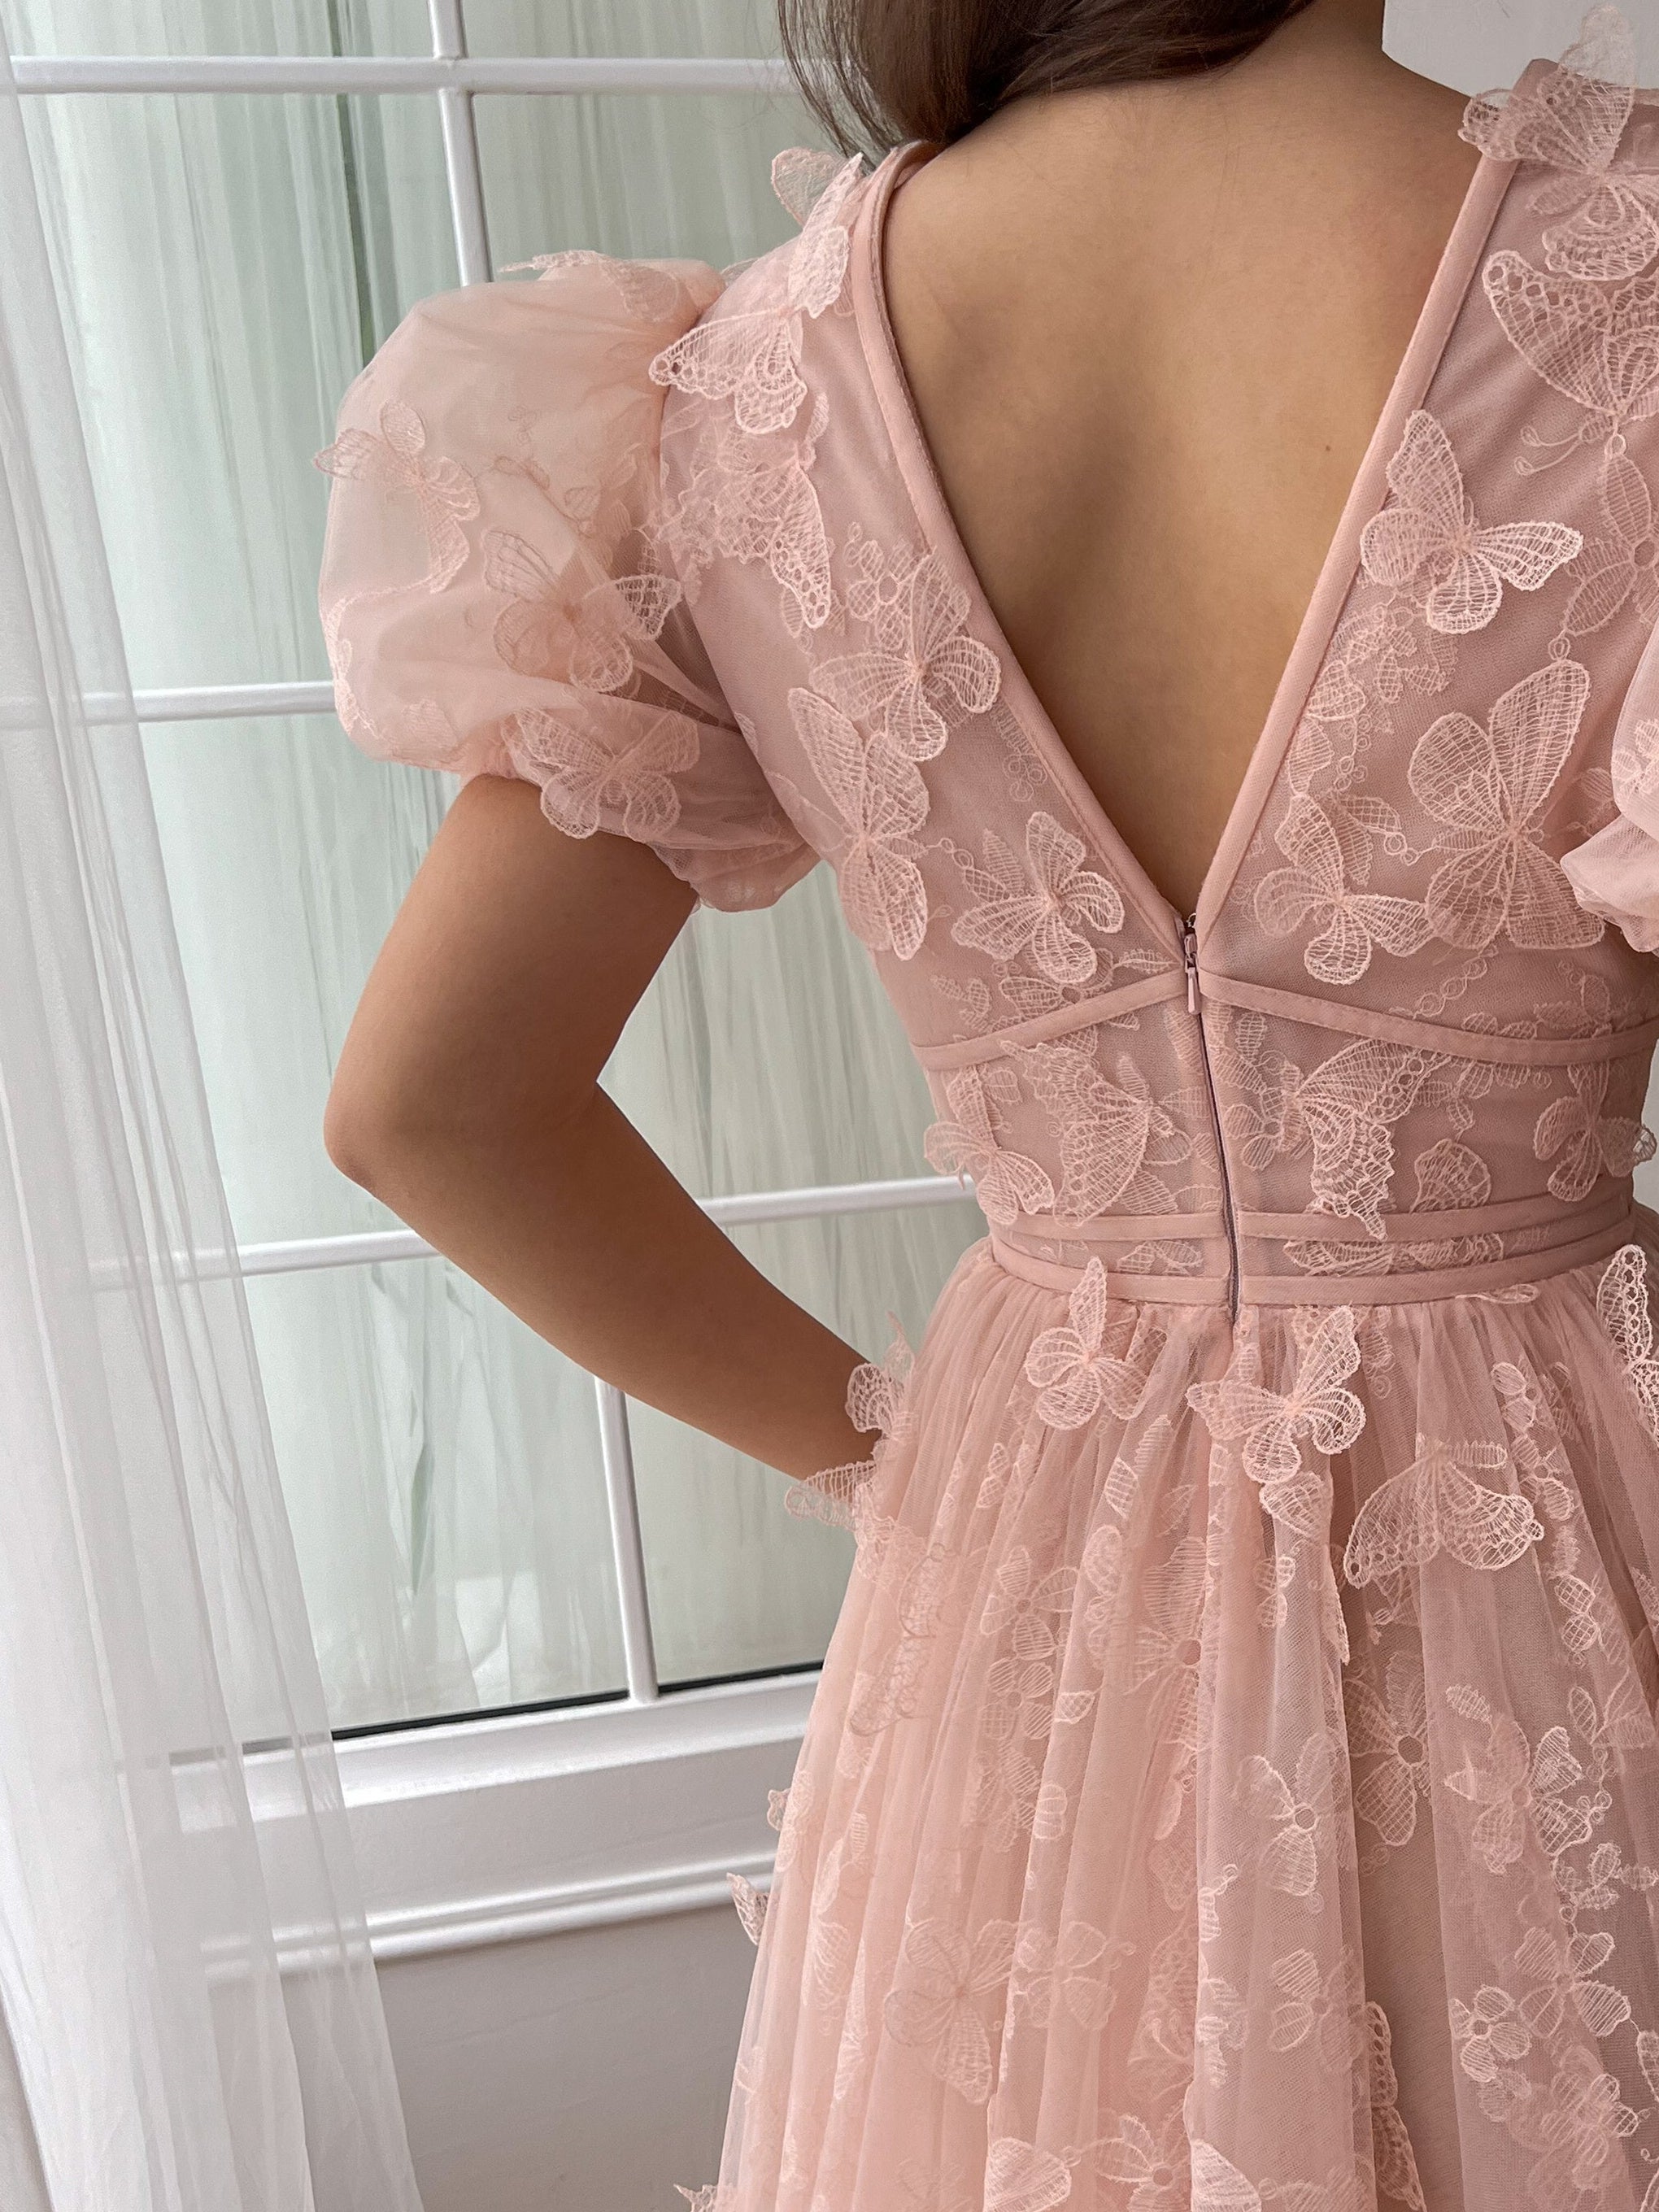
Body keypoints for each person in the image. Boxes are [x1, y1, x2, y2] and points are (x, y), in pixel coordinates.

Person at [317, 1, 1659, 2202]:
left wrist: (898, 1458)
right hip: (1560, 1506)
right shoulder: (1626, 274)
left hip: (1040, 1529)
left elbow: (429, 1105)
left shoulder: (749, 394)